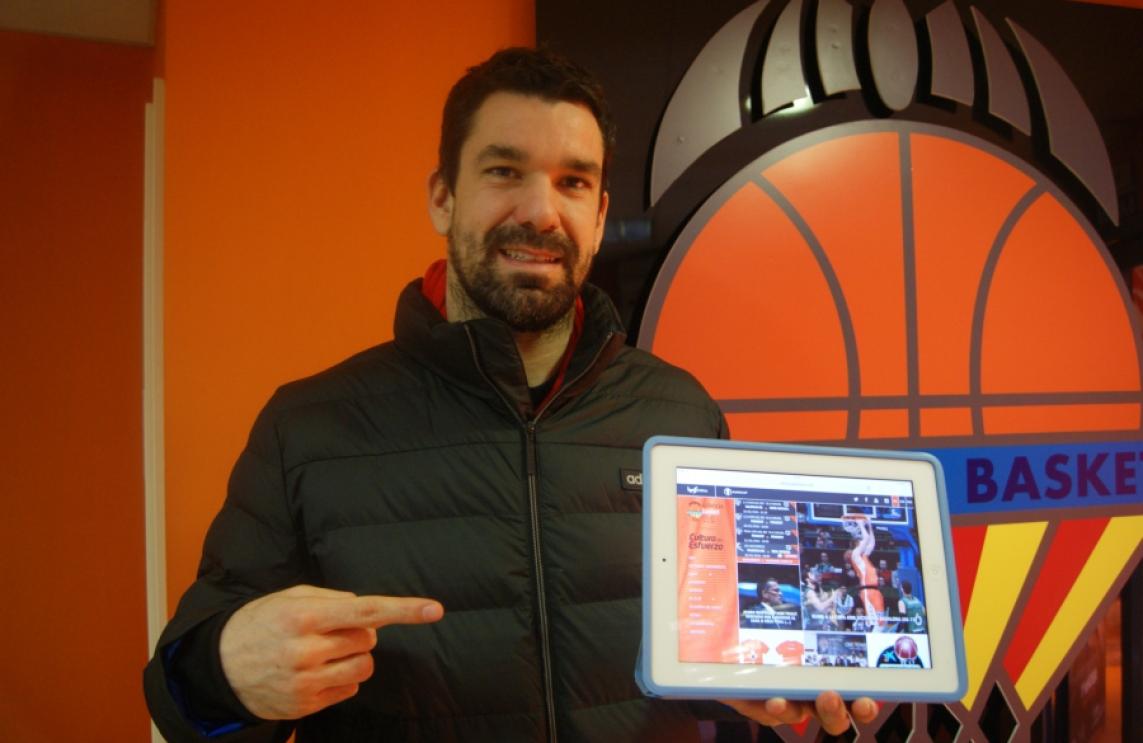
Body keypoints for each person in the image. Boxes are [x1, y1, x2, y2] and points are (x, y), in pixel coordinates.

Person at [143, 47, 876, 741]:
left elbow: (711, 647)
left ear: (599, 215)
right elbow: (181, 699)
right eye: (504, 171)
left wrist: (754, 675)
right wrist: (222, 675)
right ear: (442, 198)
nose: (540, 212)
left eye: (572, 182)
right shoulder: (307, 427)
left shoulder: (680, 412)